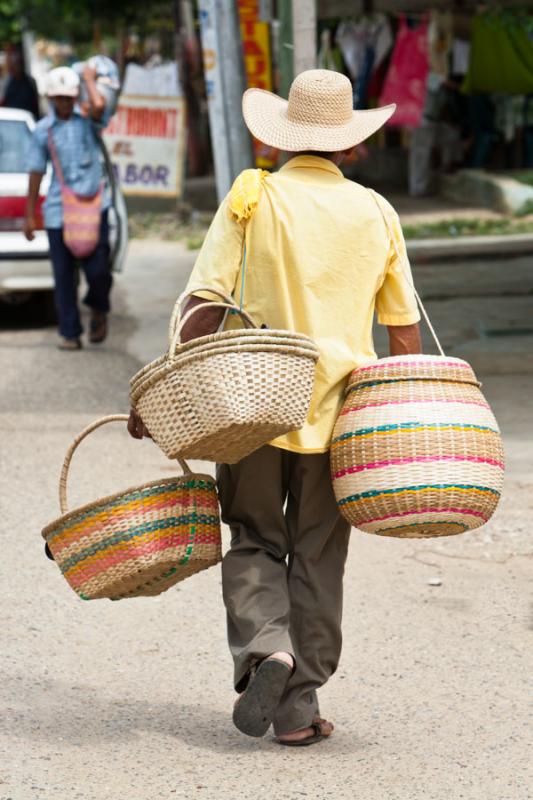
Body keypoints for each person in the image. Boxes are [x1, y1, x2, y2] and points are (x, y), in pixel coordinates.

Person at [129, 69, 422, 746]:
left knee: (255, 536)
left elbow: (202, 304)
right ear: (349, 146)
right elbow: (402, 332)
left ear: (285, 136)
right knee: (317, 555)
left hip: (251, 405)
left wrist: (162, 388)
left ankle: (266, 648)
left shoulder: (253, 198)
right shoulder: (375, 211)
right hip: (343, 417)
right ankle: (297, 708)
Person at [24, 66, 111, 350]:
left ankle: (98, 308)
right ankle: (69, 332)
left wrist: (88, 79)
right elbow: (36, 172)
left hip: (94, 208)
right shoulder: (42, 131)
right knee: (63, 277)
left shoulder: (88, 121)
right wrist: (29, 216)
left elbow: (100, 104)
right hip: (58, 212)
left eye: (68, 97)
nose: (64, 102)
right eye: (59, 97)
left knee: (98, 271)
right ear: (51, 98)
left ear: (75, 98)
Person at [2, 48, 40, 119]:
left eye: (16, 65)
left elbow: (36, 105)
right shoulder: (7, 82)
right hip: (10, 119)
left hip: (26, 119)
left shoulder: (30, 82)